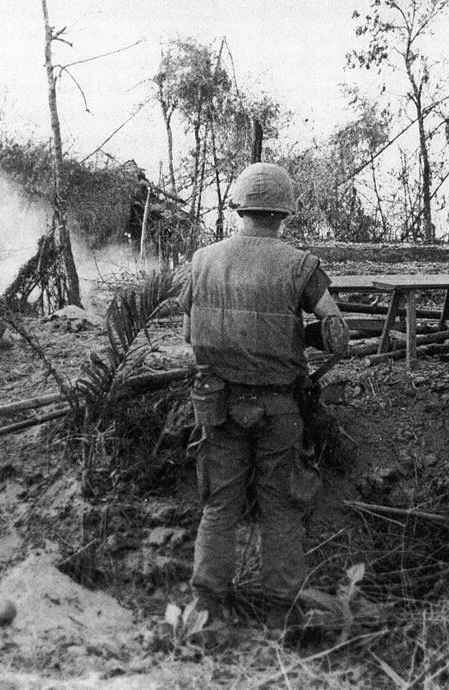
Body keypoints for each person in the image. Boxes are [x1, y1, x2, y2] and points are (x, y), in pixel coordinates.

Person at [178, 162, 348, 636]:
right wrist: (303, 334)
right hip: (279, 408)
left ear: (239, 207)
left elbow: (189, 331)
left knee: (219, 506)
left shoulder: (202, 260)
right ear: (284, 212)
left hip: (218, 405)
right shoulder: (300, 265)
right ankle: (280, 618)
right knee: (282, 508)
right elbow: (337, 336)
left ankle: (207, 613)